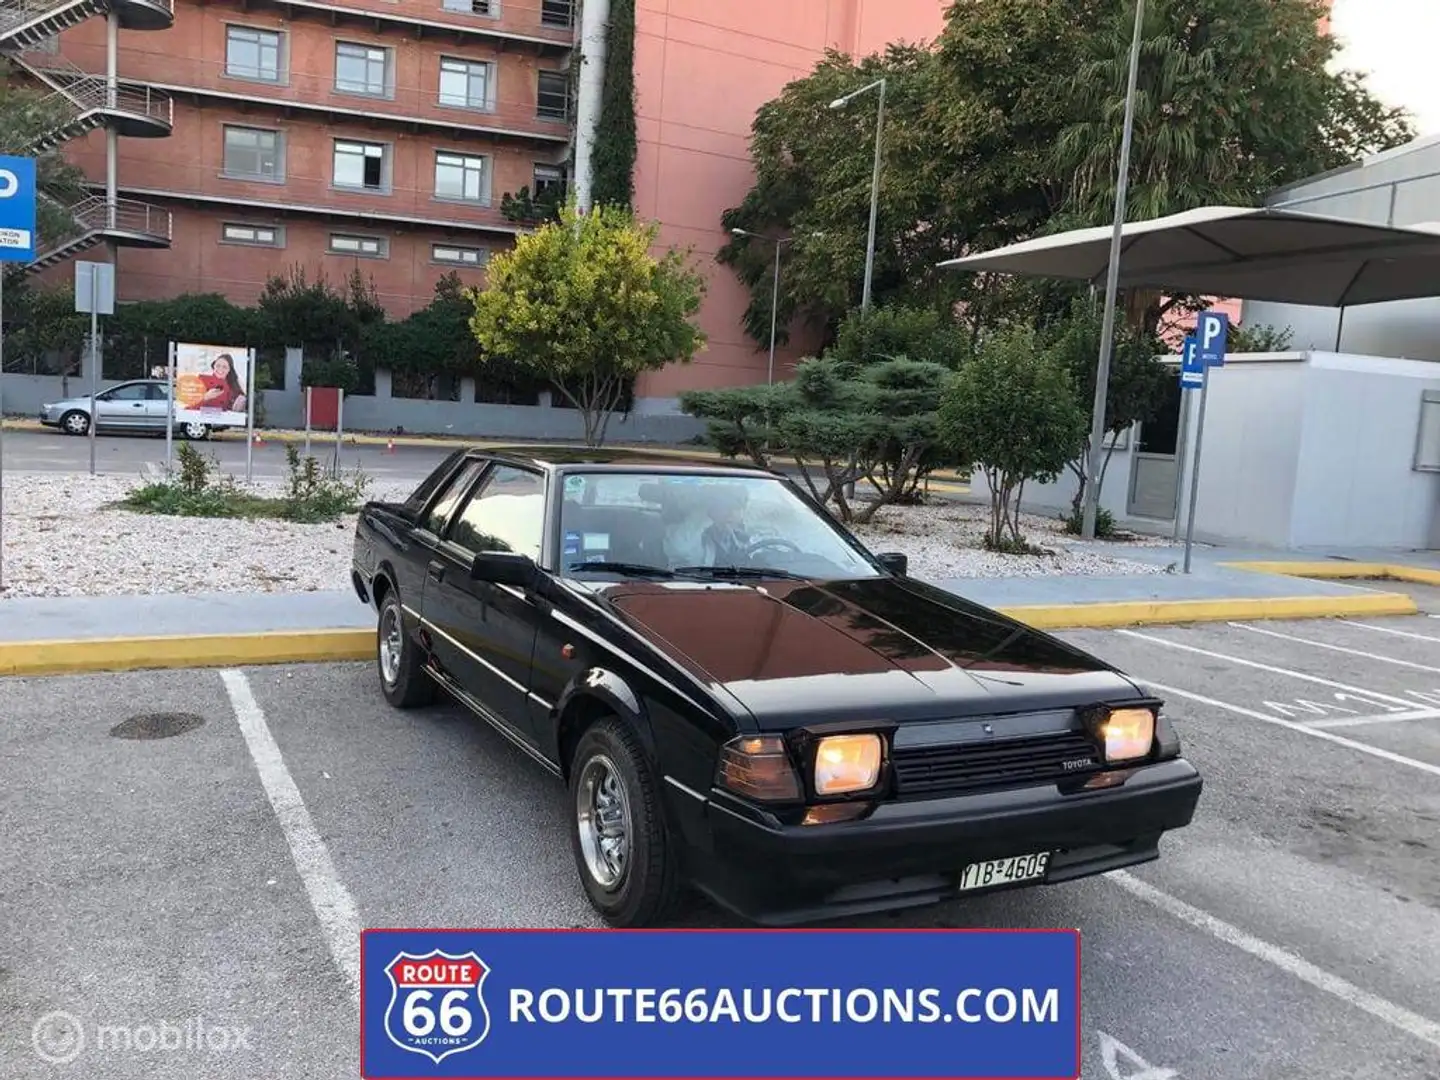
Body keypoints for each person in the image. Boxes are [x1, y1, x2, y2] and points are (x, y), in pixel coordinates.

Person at [699, 484, 751, 566]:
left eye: (736, 508)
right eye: (725, 508)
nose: (730, 514)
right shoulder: (701, 538)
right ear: (712, 512)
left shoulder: (754, 536)